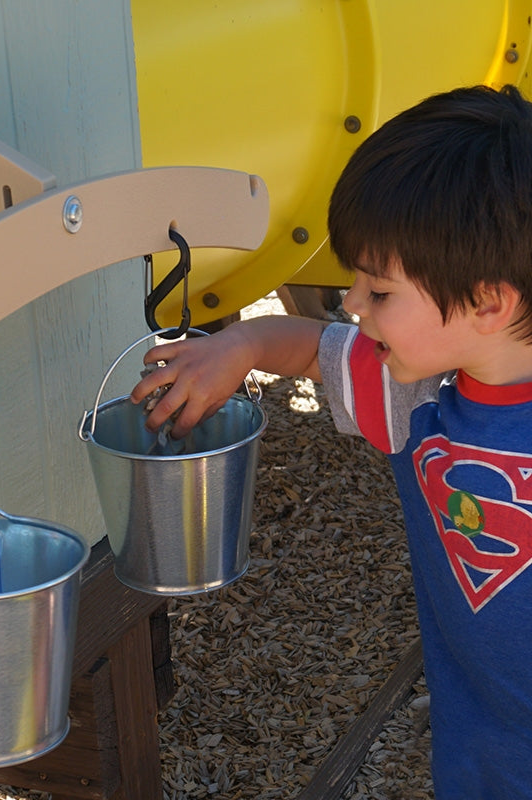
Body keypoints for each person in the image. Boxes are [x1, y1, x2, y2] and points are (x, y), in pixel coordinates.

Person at [131, 84, 532, 800]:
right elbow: (314, 348)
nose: (350, 304)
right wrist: (239, 346)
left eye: (379, 292)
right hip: (482, 756)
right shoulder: (418, 398)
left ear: (486, 302)